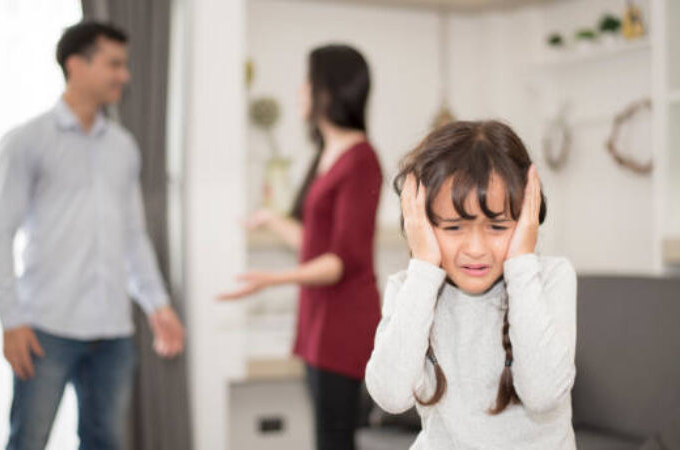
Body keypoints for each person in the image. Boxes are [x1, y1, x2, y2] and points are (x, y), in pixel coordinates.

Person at [0, 21, 185, 449]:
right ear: (76, 65)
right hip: (45, 329)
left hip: (113, 333)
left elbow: (133, 235)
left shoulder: (124, 148)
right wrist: (11, 320)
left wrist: (158, 305)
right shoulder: (26, 141)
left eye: (126, 65)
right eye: (114, 64)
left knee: (106, 442)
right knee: (28, 440)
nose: (125, 76)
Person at [365, 120, 577, 449]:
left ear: (526, 219)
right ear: (421, 222)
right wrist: (423, 269)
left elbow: (542, 393)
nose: (476, 249)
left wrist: (521, 263)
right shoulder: (410, 287)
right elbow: (391, 396)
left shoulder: (549, 279)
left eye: (496, 226)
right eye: (453, 228)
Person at [220, 44, 382, 450]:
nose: (300, 92)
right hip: (318, 322)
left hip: (344, 324)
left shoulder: (361, 160)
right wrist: (272, 221)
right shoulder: (327, 154)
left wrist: (271, 279)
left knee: (334, 439)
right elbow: (315, 247)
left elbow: (339, 262)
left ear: (329, 90)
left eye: (307, 83)